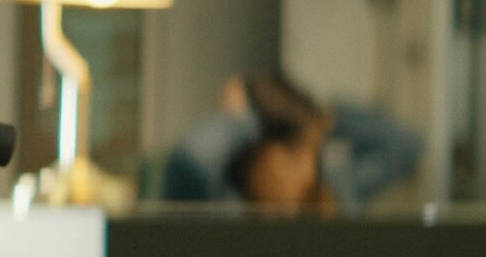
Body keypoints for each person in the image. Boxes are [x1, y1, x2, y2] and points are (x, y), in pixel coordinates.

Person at [162, 71, 421, 214]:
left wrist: (327, 118)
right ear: (263, 153)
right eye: (296, 155)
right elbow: (189, 161)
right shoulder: (223, 205)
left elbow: (405, 145)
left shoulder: (332, 197)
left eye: (314, 156)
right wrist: (241, 119)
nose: (309, 174)